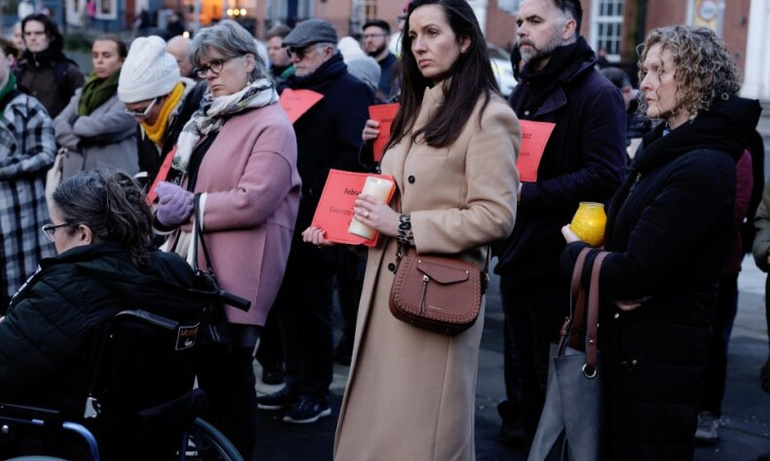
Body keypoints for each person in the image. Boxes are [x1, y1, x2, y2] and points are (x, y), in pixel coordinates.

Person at [306, 1, 520, 458]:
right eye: (413, 35)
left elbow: (496, 215)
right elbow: (396, 196)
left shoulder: (489, 115)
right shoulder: (416, 107)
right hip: (387, 293)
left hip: (432, 300)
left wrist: (403, 226)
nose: (419, 46)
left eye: (431, 33)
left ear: (464, 40)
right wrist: (345, 229)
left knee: (422, 438)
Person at [562, 25, 761, 461]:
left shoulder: (702, 166)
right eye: (645, 69)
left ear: (695, 80)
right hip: (634, 354)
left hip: (656, 366)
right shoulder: (665, 149)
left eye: (659, 71)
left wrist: (575, 250)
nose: (645, 82)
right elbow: (627, 257)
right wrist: (610, 264)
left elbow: (635, 272)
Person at [153, 20, 300, 458]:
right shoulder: (212, 118)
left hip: (237, 274)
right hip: (199, 264)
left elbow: (254, 201)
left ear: (250, 62)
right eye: (203, 67)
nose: (210, 74)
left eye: (218, 63)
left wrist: (189, 206)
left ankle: (233, 452)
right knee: (209, 375)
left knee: (231, 380)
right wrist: (168, 210)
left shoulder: (272, 124)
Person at [0, 169, 216, 459]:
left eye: (54, 229)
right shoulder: (171, 272)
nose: (53, 240)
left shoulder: (70, 289)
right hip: (152, 435)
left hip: (58, 434)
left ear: (83, 234)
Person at [493, 0, 627, 447]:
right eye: (519, 22)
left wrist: (529, 195)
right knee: (522, 370)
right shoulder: (523, 89)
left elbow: (608, 174)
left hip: (560, 259)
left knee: (552, 378)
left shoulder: (597, 92)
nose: (522, 30)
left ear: (568, 27)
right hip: (517, 251)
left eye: (534, 21)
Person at [255, 18, 373, 425]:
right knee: (287, 305)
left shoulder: (353, 91)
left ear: (327, 50)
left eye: (301, 52)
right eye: (291, 52)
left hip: (321, 222)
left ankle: (316, 392)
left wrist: (320, 204)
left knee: (316, 309)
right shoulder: (290, 88)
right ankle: (293, 380)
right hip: (285, 218)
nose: (294, 59)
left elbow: (355, 160)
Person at [0, 36, 56, 310]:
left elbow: (46, 153)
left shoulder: (27, 106)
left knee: (20, 295)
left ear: (9, 60)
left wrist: (7, 167)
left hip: (19, 210)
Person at [118, 35, 205, 187]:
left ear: (165, 96)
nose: (138, 119)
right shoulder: (145, 119)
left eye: (141, 110)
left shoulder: (197, 117)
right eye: (131, 111)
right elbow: (147, 170)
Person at [53, 35, 137, 179]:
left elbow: (104, 126)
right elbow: (58, 124)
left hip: (110, 179)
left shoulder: (130, 92)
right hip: (74, 176)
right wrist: (79, 142)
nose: (99, 61)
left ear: (122, 60)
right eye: (95, 55)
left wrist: (75, 121)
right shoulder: (85, 91)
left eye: (106, 56)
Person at [15, 14, 84, 119]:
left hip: (57, 133)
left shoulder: (68, 72)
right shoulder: (19, 70)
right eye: (28, 34)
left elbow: (80, 111)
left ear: (51, 37)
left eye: (38, 33)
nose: (32, 38)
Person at [361, 19, 397, 100]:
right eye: (366, 36)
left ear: (388, 38)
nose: (368, 40)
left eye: (373, 35)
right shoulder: (362, 67)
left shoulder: (398, 68)